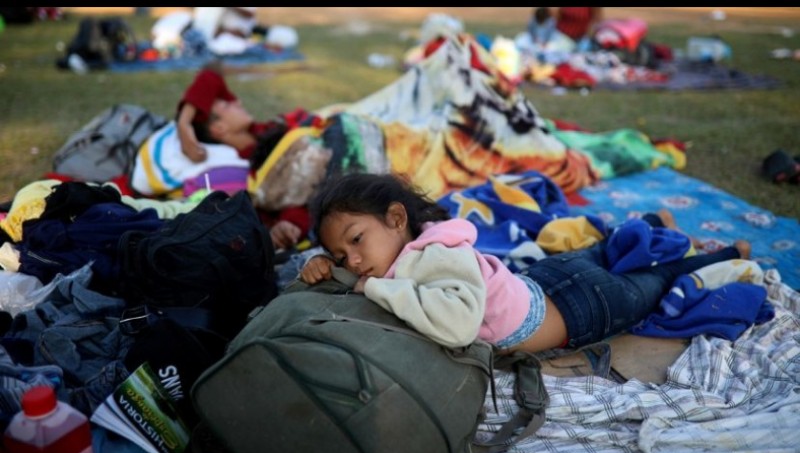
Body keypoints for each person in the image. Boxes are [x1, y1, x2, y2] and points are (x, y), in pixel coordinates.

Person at [300, 172, 750, 353]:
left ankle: (728, 255)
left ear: (396, 219)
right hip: (543, 280)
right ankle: (652, 220)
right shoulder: (399, 258)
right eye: (341, 255)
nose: (354, 262)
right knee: (600, 251)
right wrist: (322, 268)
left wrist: (373, 288)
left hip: (580, 310)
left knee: (652, 285)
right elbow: (361, 280)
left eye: (356, 241)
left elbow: (456, 325)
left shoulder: (433, 256)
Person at [175, 63, 311, 250]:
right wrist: (290, 225)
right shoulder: (256, 165)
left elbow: (210, 73)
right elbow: (293, 194)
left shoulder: (262, 131)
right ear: (219, 128)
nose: (237, 101)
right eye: (226, 104)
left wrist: (184, 122)